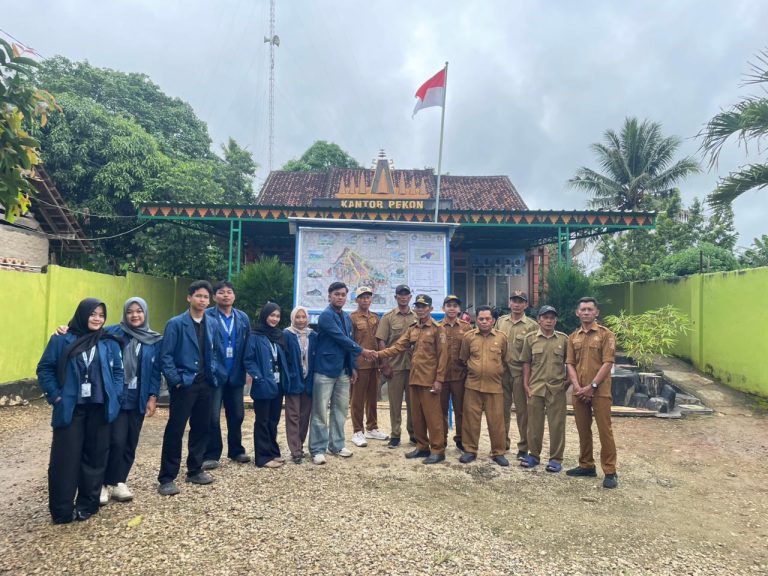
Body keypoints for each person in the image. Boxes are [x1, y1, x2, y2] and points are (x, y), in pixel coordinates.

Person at [36, 298, 125, 523]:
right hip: (71, 408)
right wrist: (56, 396)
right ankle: (62, 510)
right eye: (92, 313)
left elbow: (117, 372)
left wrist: (114, 396)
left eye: (101, 315)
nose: (97, 318)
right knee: (65, 460)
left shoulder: (108, 342)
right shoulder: (62, 339)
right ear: (82, 314)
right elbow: (45, 368)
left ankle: (88, 504)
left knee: (95, 458)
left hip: (99, 408)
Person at [157, 280, 217, 496]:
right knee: (175, 429)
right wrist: (177, 380)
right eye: (198, 296)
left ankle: (195, 469)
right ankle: (167, 477)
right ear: (189, 297)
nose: (202, 300)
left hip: (205, 383)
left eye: (205, 297)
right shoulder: (176, 323)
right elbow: (165, 355)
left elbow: (215, 351)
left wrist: (214, 375)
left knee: (202, 427)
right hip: (184, 384)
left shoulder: (211, 323)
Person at [102, 297, 163, 503]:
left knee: (130, 441)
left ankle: (119, 481)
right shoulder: (112, 333)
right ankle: (102, 483)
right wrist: (64, 330)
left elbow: (155, 372)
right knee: (115, 440)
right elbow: (86, 333)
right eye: (130, 311)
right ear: (124, 314)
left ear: (145, 313)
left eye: (139, 311)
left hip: (138, 398)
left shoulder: (154, 340)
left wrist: (152, 396)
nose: (134, 315)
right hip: (117, 396)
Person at [376, 294, 448, 464]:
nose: (421, 309)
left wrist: (439, 380)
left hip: (429, 380)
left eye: (424, 306)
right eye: (418, 306)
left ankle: (438, 450)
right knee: (417, 416)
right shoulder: (413, 329)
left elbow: (443, 357)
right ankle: (422, 447)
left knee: (433, 416)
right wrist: (377, 354)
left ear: (430, 309)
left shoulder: (438, 329)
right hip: (414, 378)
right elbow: (398, 347)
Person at [310, 282, 376, 465]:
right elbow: (341, 339)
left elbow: (348, 344)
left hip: (343, 371)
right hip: (325, 369)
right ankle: (317, 449)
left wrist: (352, 367)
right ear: (329, 296)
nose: (340, 297)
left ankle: (337, 445)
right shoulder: (325, 316)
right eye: (336, 294)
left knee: (340, 410)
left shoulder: (347, 318)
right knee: (320, 412)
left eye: (343, 295)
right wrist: (362, 351)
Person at [565, 297, 618, 489]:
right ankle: (586, 465)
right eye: (583, 310)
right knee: (583, 429)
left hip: (600, 391)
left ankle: (610, 471)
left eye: (590, 309)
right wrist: (578, 387)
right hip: (579, 392)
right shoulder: (573, 337)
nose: (586, 312)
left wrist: (592, 386)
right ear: (577, 313)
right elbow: (570, 363)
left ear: (596, 313)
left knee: (605, 431)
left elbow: (608, 363)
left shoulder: (606, 335)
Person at [202, 281, 252, 470]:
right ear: (214, 297)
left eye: (229, 292)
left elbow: (248, 344)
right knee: (212, 416)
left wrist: (249, 369)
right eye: (221, 292)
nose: (225, 295)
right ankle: (212, 453)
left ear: (234, 296)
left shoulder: (242, 318)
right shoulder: (207, 316)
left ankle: (236, 450)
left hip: (236, 372)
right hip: (215, 373)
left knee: (237, 414)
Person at [458, 305, 509, 466]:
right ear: (476, 320)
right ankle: (470, 450)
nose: (484, 322)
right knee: (471, 421)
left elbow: (505, 360)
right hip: (472, 386)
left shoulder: (501, 337)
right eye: (481, 319)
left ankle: (498, 452)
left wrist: (495, 371)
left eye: (488, 319)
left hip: (494, 387)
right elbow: (464, 358)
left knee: (497, 422)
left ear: (493, 320)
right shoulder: (469, 337)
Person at [520, 305, 569, 472]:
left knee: (557, 425)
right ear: (539, 319)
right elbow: (526, 363)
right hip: (536, 387)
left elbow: (570, 364)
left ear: (556, 320)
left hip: (557, 389)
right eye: (545, 317)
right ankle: (534, 455)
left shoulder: (563, 339)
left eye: (552, 318)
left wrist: (567, 383)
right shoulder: (530, 339)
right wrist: (526, 385)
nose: (549, 321)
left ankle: (556, 459)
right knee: (534, 424)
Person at [244, 303, 292, 468]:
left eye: (277, 316)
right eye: (272, 315)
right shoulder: (255, 335)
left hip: (278, 384)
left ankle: (273, 452)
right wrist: (259, 377)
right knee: (262, 420)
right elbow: (248, 359)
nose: (275, 319)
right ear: (265, 316)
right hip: (263, 383)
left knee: (273, 420)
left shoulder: (278, 335)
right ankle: (262, 457)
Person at [495, 290, 538, 459]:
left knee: (522, 412)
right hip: (502, 373)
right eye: (514, 300)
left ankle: (523, 447)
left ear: (526, 304)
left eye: (521, 301)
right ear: (509, 302)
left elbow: (534, 353)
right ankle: (502, 444)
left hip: (521, 374)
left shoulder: (532, 326)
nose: (517, 304)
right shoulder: (500, 322)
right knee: (501, 410)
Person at [375, 284, 417, 448]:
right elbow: (381, 341)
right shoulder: (388, 317)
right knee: (395, 403)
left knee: (413, 403)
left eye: (406, 294)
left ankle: (413, 434)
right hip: (395, 366)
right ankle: (395, 435)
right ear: (396, 297)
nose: (403, 297)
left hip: (414, 367)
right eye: (400, 294)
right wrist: (384, 365)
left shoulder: (417, 317)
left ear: (410, 297)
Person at [350, 286, 388, 447]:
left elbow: (379, 340)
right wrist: (351, 366)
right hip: (359, 365)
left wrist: (381, 361)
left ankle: (372, 427)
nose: (365, 300)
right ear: (357, 300)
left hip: (374, 365)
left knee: (373, 398)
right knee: (357, 399)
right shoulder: (351, 318)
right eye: (362, 297)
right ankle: (357, 431)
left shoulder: (375, 317)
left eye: (368, 297)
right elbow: (349, 343)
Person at [438, 295, 472, 452]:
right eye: (449, 305)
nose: (452, 308)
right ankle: (441, 439)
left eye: (455, 305)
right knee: (441, 410)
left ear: (459, 309)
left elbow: (471, 351)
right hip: (442, 377)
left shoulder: (466, 328)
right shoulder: (437, 327)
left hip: (460, 377)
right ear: (443, 308)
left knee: (461, 411)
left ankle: (461, 439)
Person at [284, 306, 316, 464]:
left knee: (304, 415)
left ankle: (300, 445)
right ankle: (295, 450)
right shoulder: (286, 334)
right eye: (298, 317)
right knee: (293, 414)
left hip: (308, 380)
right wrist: (289, 375)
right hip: (293, 380)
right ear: (292, 318)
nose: (301, 320)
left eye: (303, 317)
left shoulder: (313, 335)